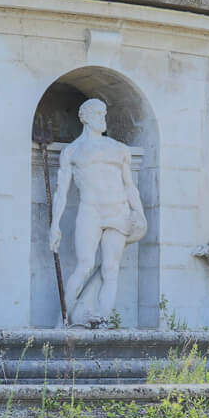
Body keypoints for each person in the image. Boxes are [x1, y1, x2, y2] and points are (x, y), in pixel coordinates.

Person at [49, 98, 147, 323]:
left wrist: (139, 212)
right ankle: (61, 321)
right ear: (84, 117)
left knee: (110, 270)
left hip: (119, 212)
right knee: (84, 265)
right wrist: (54, 226)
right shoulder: (72, 151)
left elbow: (129, 186)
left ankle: (102, 320)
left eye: (104, 113)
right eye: (98, 114)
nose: (103, 118)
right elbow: (61, 192)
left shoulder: (119, 148)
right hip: (90, 211)